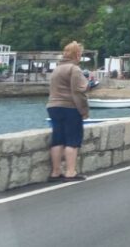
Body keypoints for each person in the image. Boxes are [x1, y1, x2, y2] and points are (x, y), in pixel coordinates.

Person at [46, 41, 89, 182]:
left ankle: (55, 172)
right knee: (72, 140)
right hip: (69, 107)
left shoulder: (57, 69)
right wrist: (83, 110)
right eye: (80, 54)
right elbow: (78, 92)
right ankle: (71, 172)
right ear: (77, 54)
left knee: (57, 139)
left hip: (53, 107)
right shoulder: (74, 69)